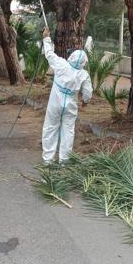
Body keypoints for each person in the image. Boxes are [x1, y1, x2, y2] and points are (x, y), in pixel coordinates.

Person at [41, 26, 92, 165]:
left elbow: (50, 54)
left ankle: (48, 160)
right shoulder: (84, 74)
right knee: (68, 131)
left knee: (50, 128)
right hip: (70, 105)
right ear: (83, 62)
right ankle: (64, 161)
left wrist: (46, 37)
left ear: (71, 57)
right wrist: (85, 101)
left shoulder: (62, 65)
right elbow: (88, 91)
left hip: (55, 103)